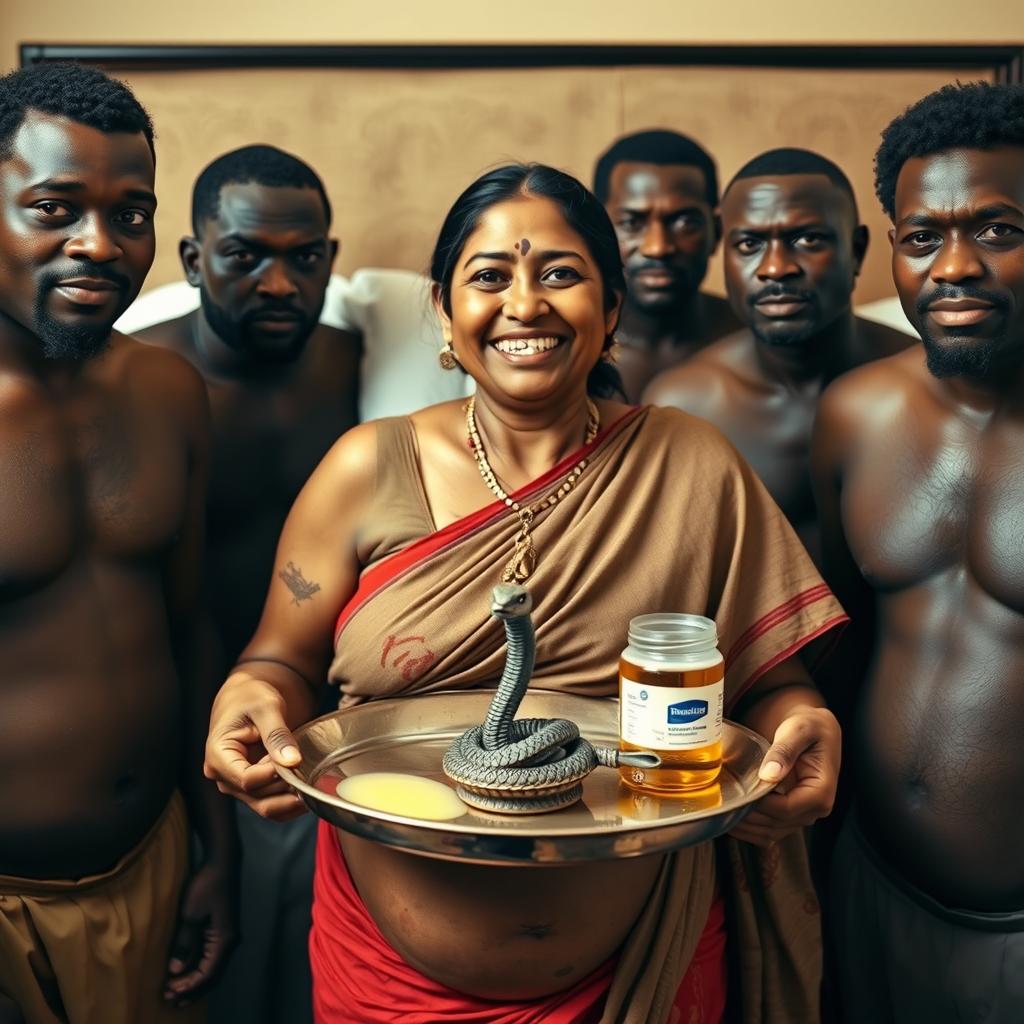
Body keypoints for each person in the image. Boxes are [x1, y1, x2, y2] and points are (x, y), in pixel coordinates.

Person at [204, 163, 847, 1024]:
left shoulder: (691, 464)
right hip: (384, 979)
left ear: (611, 308)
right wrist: (250, 695)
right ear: (443, 308)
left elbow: (769, 687)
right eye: (489, 276)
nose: (526, 303)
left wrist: (802, 722)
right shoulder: (366, 467)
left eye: (560, 273)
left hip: (648, 964)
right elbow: (280, 658)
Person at [0, 63, 236, 1022]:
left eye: (130, 214)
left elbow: (188, 630)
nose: (98, 245)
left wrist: (213, 850)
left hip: (152, 867)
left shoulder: (170, 392)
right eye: (53, 208)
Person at [811, 81, 1024, 1023]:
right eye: (922, 236)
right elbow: (842, 636)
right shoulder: (856, 412)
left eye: (999, 229)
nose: (955, 267)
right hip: (874, 885)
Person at [137, 145, 360, 1024]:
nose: (278, 283)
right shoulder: (145, 384)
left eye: (304, 259)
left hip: (334, 734)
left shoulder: (355, 365)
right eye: (245, 256)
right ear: (194, 261)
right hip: (187, 739)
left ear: (330, 262)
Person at [644, 149, 911, 560]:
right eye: (749, 243)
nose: (775, 268)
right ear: (725, 253)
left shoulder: (924, 380)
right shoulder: (685, 405)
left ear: (856, 251)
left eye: (807, 239)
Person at [593, 130, 741, 400]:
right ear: (599, 233)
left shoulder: (750, 339)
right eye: (631, 223)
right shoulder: (568, 343)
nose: (658, 247)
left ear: (717, 231)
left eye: (684, 222)